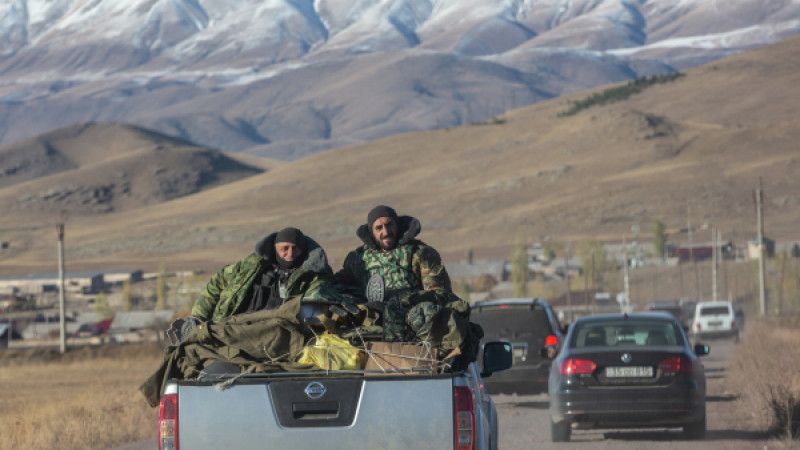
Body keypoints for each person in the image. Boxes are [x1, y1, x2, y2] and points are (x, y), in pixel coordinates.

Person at [171, 227, 342, 343]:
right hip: (231, 329)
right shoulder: (248, 267)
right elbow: (217, 283)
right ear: (274, 248)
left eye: (295, 249)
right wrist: (198, 316)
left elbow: (320, 290)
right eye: (285, 248)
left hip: (276, 335)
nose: (290, 253)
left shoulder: (312, 275)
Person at [336, 205, 472, 345]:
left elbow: (439, 292)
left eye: (390, 225)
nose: (386, 231)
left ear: (398, 225)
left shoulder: (420, 253)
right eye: (379, 228)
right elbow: (339, 284)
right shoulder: (359, 259)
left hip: (414, 325)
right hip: (373, 325)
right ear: (371, 231)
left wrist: (408, 301)